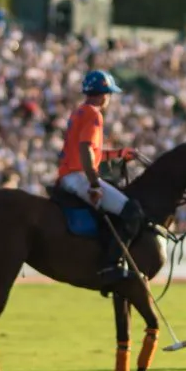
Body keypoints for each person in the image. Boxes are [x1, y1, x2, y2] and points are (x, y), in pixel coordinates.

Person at [57, 70, 143, 281]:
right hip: (78, 178)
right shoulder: (94, 115)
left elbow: (90, 153)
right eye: (110, 94)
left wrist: (118, 154)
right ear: (104, 95)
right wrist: (94, 183)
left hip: (68, 175)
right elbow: (86, 150)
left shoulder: (79, 112)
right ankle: (111, 266)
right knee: (132, 212)